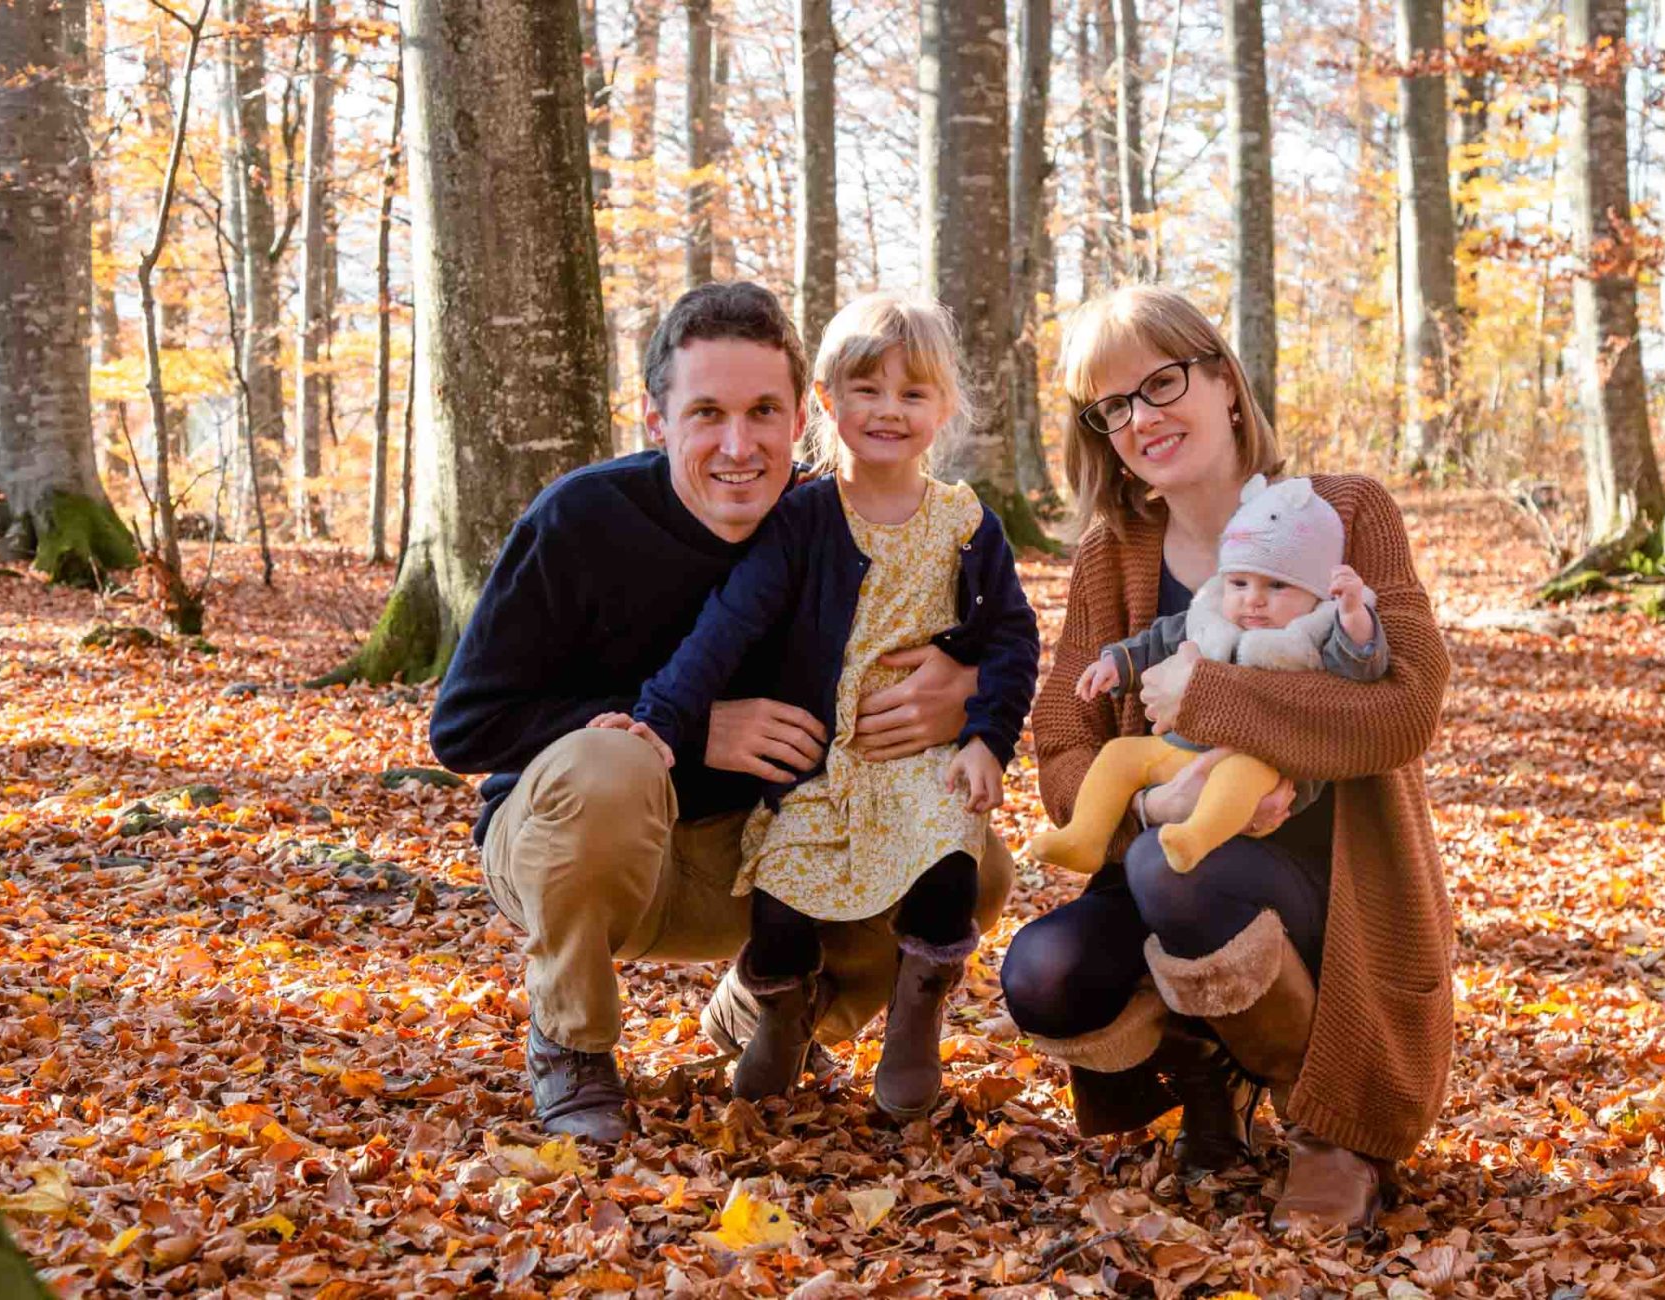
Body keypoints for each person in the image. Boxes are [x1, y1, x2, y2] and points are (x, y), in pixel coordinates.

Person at [429, 281, 1017, 1144]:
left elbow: (972, 629)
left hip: (761, 854)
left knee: (974, 863)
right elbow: (465, 728)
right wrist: (698, 730)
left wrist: (963, 691)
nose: (738, 446)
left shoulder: (834, 519)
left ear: (798, 418)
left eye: (762, 413)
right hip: (589, 855)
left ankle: (772, 1005)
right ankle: (571, 1044)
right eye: (706, 413)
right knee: (614, 762)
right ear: (655, 417)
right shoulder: (584, 521)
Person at [998, 285, 1453, 1238]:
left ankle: (1328, 1131)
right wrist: (1159, 790)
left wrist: (1212, 703)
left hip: (1334, 874)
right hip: (1164, 843)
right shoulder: (1110, 556)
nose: (1142, 418)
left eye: (1161, 383)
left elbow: (1406, 705)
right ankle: (1206, 1080)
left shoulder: (1346, 512)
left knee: (1178, 875)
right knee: (1045, 973)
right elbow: (1063, 732)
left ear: (1224, 382)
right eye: (1112, 406)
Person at [611, 293, 1039, 1118]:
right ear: (828, 403)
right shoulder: (802, 517)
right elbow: (728, 625)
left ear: (944, 408)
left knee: (950, 863)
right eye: (866, 390)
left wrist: (988, 739)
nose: (888, 411)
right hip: (819, 760)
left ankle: (917, 1013)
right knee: (782, 893)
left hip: (920, 758)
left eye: (912, 394)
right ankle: (781, 1012)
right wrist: (663, 717)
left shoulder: (965, 524)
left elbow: (1014, 642)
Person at [1026, 471, 1386, 876]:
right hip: (1179, 751)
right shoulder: (1211, 615)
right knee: (1119, 755)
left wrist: (1355, 618)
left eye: (1277, 587)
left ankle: (1194, 836)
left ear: (1316, 592)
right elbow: (1157, 641)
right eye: (1239, 582)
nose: (1253, 600)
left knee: (1238, 777)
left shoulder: (1313, 632)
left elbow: (1361, 669)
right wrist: (1115, 664)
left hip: (1265, 766)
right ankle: (1085, 837)